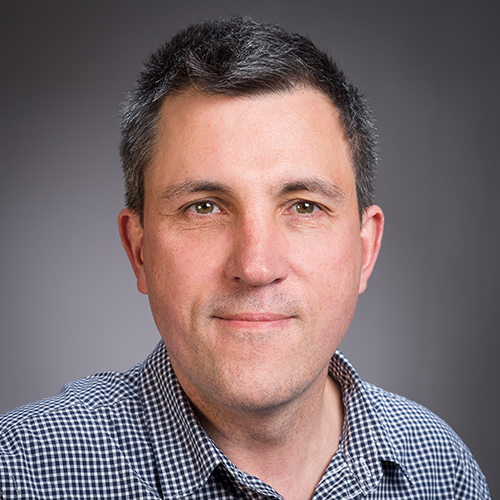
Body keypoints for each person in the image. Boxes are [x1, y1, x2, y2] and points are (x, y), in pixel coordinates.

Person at [0, 16, 490, 500]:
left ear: (365, 249)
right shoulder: (21, 473)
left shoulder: (439, 468)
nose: (256, 267)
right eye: (204, 207)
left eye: (304, 206)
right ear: (139, 250)